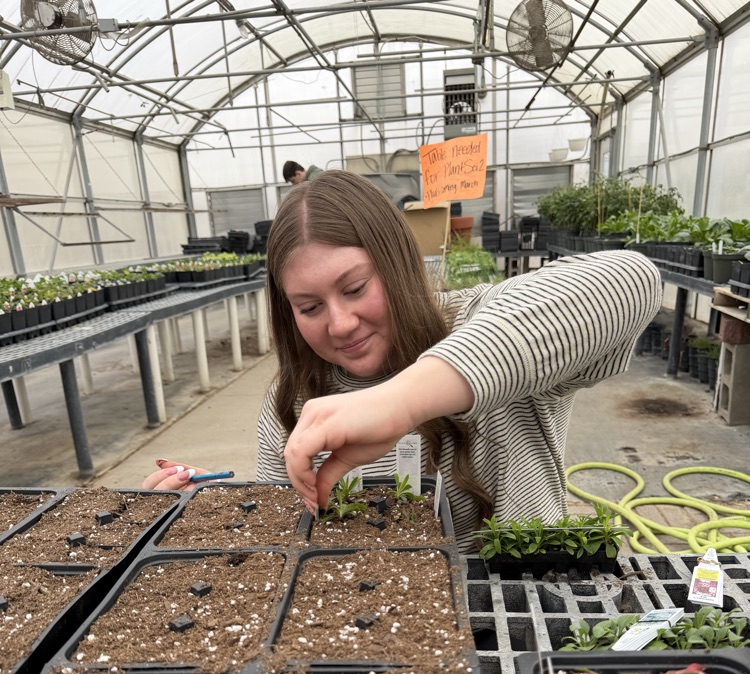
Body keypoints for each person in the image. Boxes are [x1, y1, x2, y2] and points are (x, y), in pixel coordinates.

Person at [143, 170, 662, 554]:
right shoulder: (296, 401)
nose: (340, 323)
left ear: (397, 265)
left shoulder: (478, 324)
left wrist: (401, 401)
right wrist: (203, 510)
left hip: (513, 625)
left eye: (355, 287)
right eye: (309, 307)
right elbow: (284, 538)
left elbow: (633, 279)